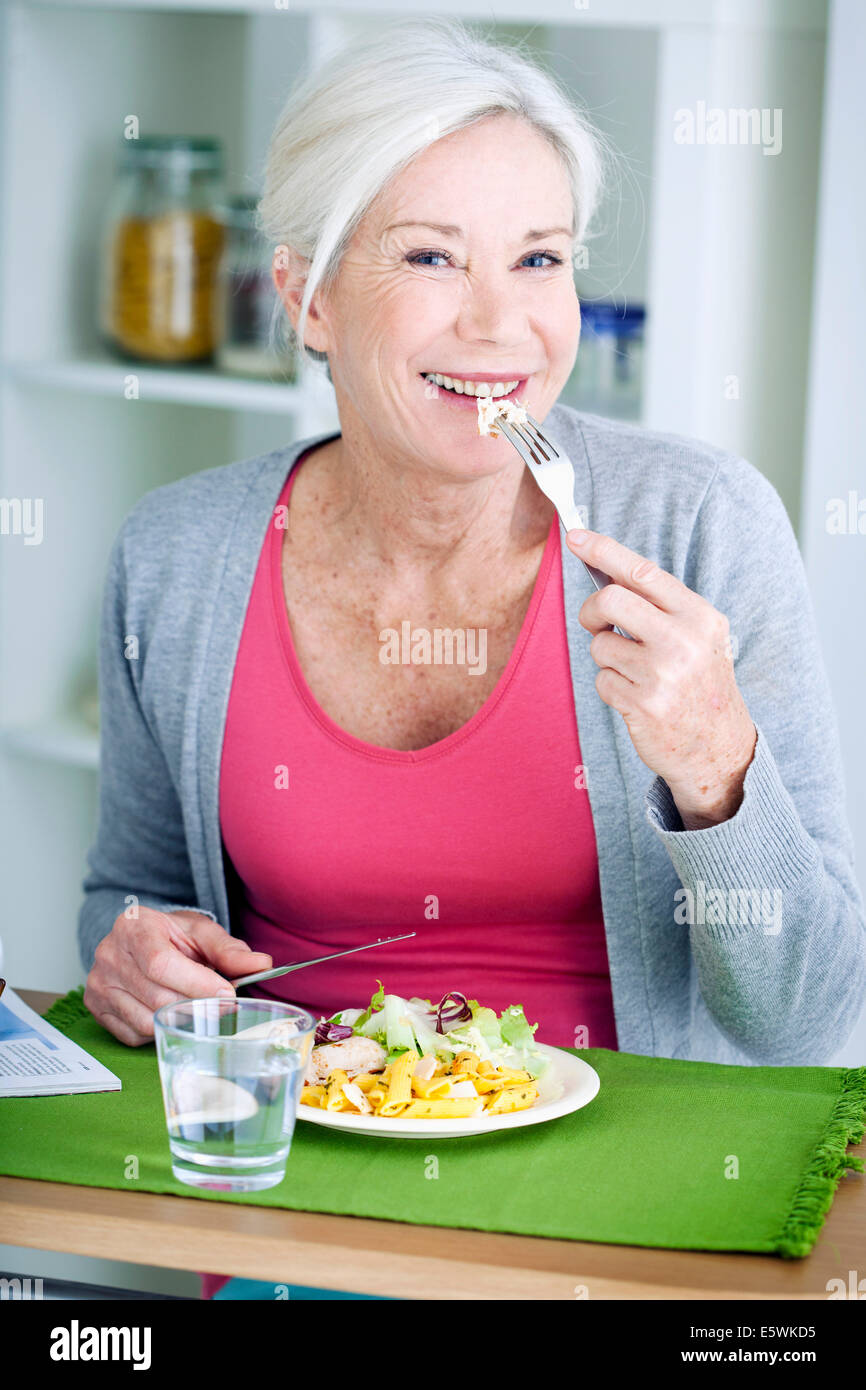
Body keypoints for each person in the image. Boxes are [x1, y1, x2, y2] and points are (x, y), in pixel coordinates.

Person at [78, 18, 866, 1301]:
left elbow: (806, 1016)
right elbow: (130, 897)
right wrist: (129, 953)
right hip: (293, 1218)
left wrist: (718, 771)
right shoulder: (176, 553)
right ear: (307, 296)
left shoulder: (699, 525)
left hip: (627, 1221)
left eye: (538, 257)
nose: (501, 324)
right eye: (430, 256)